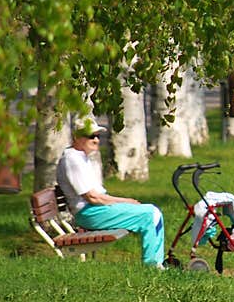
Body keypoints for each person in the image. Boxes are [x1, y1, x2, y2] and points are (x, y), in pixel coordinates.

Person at [56, 115, 166, 268]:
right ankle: (153, 266)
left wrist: (125, 201)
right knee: (150, 214)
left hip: (95, 210)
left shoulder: (80, 157)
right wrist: (126, 201)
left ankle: (155, 263)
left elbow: (97, 196)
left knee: (152, 212)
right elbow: (92, 198)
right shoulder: (73, 160)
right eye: (90, 136)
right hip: (90, 214)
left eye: (97, 136)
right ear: (77, 137)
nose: (96, 140)